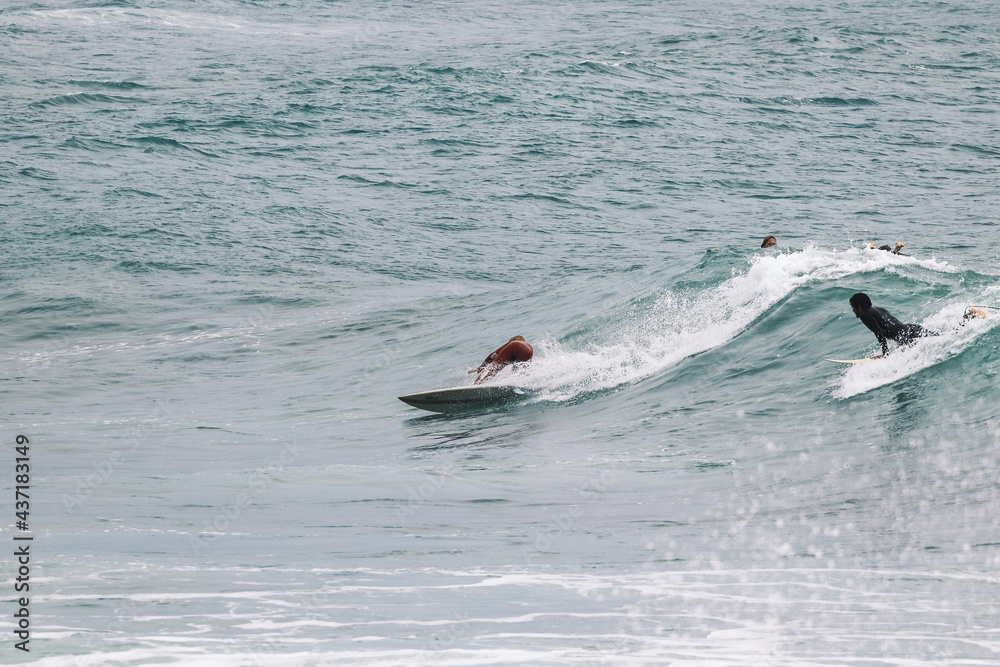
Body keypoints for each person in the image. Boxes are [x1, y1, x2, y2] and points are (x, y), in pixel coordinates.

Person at [849, 293, 936, 357]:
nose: (853, 310)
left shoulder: (864, 315)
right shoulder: (878, 309)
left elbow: (879, 333)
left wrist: (885, 354)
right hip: (912, 329)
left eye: (853, 307)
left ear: (859, 307)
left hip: (907, 337)